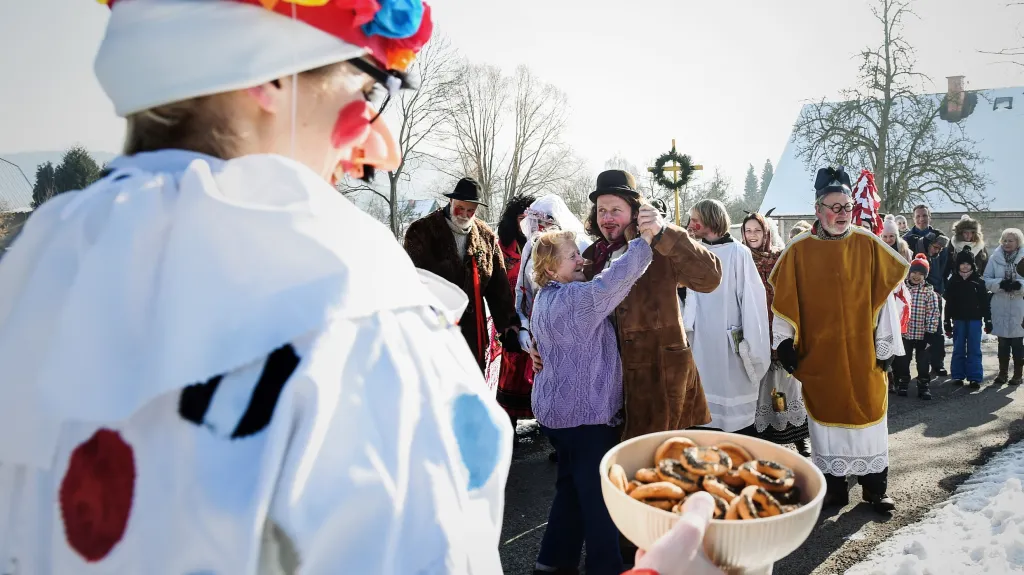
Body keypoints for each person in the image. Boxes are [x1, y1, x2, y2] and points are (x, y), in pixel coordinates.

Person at [0, 0, 520, 572]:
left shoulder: (38, 266)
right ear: (274, 68)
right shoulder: (354, 302)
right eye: (370, 92)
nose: (383, 148)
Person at [770, 166, 907, 513]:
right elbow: (785, 303)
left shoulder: (868, 245)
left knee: (870, 421)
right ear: (818, 209)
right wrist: (784, 343)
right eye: (834, 207)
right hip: (821, 358)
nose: (841, 214)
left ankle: (875, 490)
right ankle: (834, 490)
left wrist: (887, 347)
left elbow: (885, 301)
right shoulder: (799, 251)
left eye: (846, 206)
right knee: (826, 427)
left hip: (864, 357)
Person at [529, 225, 655, 575]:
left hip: (556, 416)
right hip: (585, 418)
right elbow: (616, 279)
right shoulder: (576, 300)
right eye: (572, 257)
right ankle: (606, 568)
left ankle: (553, 562)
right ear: (552, 270)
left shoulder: (545, 297)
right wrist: (645, 242)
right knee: (600, 500)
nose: (581, 259)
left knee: (570, 489)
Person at [577, 170, 723, 440]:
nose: (607, 218)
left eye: (615, 210)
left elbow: (709, 278)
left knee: (661, 463)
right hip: (609, 381)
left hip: (660, 378)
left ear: (635, 211)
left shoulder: (659, 245)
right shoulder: (591, 257)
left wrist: (664, 232)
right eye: (601, 211)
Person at [404, 178, 520, 371]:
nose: (465, 214)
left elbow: (498, 285)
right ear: (451, 202)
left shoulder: (485, 235)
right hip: (435, 328)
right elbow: (409, 282)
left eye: (470, 210)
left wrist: (508, 325)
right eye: (460, 208)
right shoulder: (421, 232)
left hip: (473, 333)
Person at [682, 200, 771, 433]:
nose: (690, 224)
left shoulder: (738, 253)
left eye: (695, 219)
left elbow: (752, 302)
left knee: (733, 417)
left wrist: (751, 345)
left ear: (711, 220)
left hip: (730, 345)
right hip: (700, 340)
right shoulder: (694, 252)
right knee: (703, 412)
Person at [740, 211, 810, 455]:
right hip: (753, 326)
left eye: (757, 230)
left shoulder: (779, 258)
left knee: (788, 384)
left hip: (778, 324)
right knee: (760, 384)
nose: (752, 235)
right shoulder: (741, 258)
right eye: (748, 231)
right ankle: (762, 437)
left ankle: (799, 435)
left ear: (766, 232)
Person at [491, 194, 537, 426]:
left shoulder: (542, 243)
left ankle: (546, 423)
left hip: (538, 315)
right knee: (511, 369)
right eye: (522, 218)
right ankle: (508, 428)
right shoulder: (502, 247)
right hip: (510, 315)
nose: (527, 223)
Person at [903, 204, 949, 378]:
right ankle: (907, 367)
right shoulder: (907, 238)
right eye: (918, 216)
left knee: (935, 328)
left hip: (934, 290)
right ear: (913, 218)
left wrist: (939, 288)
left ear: (930, 217)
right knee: (911, 327)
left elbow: (945, 266)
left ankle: (937, 363)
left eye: (924, 215)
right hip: (912, 290)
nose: (921, 219)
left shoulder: (940, 239)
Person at [944, 246, 992, 389]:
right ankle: (958, 375)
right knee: (958, 347)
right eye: (962, 264)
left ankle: (974, 377)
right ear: (958, 265)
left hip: (975, 320)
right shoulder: (953, 282)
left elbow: (985, 304)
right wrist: (947, 321)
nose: (965, 267)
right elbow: (949, 303)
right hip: (958, 320)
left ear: (972, 265)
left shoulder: (978, 282)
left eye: (968, 264)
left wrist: (988, 320)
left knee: (974, 348)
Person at [895, 255, 940, 399]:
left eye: (921, 274)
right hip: (905, 334)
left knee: (923, 362)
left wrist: (930, 333)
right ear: (909, 272)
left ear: (925, 276)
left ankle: (923, 385)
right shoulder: (901, 289)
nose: (916, 276)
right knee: (903, 360)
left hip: (922, 334)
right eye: (914, 272)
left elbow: (933, 313)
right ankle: (903, 382)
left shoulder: (929, 293)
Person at [983, 228, 1024, 385]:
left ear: (1018, 242)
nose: (1007, 243)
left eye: (1010, 240)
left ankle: (1018, 375)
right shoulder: (994, 258)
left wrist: (1018, 285)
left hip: (1019, 305)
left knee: (1017, 342)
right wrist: (1000, 284)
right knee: (1003, 342)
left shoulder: (1023, 258)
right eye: (1004, 240)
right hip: (1000, 304)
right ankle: (1002, 373)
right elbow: (986, 279)